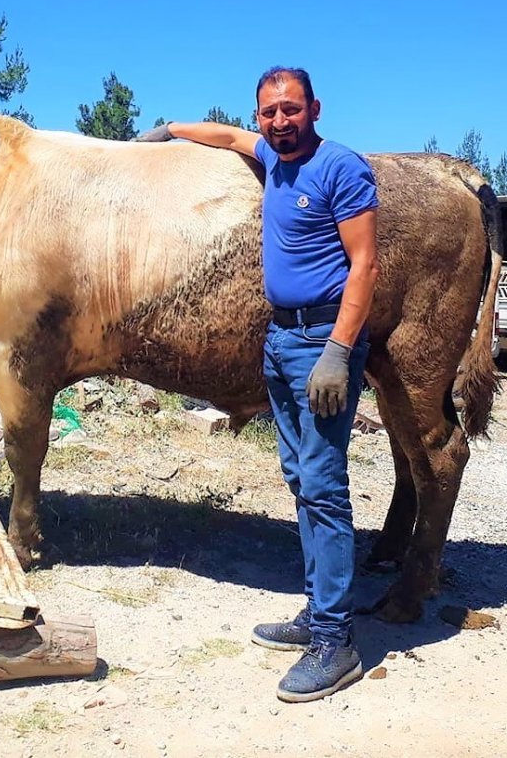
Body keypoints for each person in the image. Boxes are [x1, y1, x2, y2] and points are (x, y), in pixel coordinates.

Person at [136, 67, 379, 703]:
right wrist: (166, 132)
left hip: (321, 346)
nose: (279, 121)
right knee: (301, 479)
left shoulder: (341, 169)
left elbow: (366, 265)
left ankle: (337, 640)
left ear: (315, 108)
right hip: (279, 340)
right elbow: (225, 135)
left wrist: (338, 352)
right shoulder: (271, 153)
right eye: (269, 111)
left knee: (324, 488)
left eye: (290, 109)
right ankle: (316, 610)